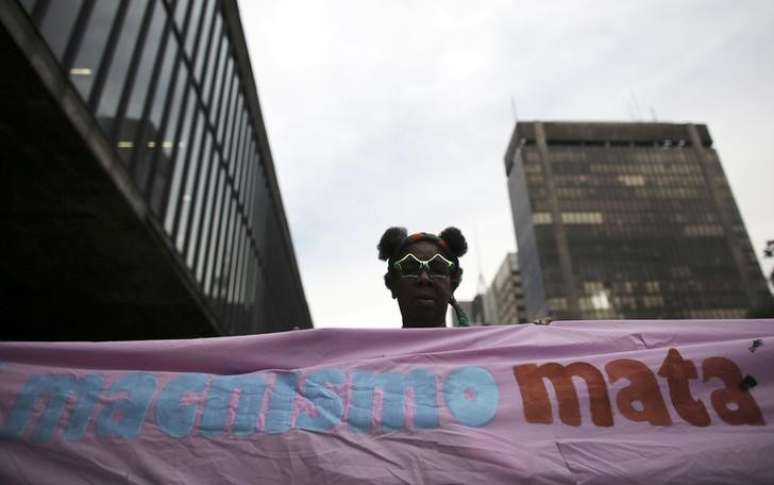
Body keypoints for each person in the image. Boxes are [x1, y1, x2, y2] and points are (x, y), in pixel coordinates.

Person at [377, 227, 470, 328]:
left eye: (437, 270)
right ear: (392, 283)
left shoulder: (481, 343)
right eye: (410, 269)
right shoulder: (366, 343)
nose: (424, 279)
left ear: (453, 284)